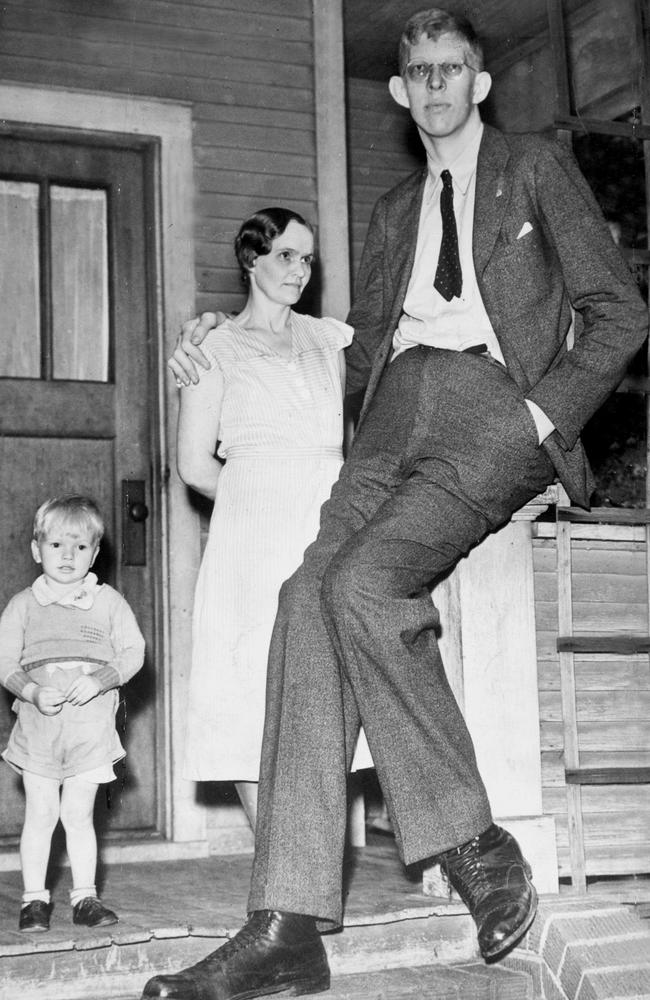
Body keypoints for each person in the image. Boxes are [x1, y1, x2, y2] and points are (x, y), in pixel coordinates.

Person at [145, 8, 647, 999]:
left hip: (486, 405)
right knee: (306, 600)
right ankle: (285, 924)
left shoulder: (531, 173)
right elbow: (346, 348)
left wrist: (543, 417)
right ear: (397, 88)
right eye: (416, 72)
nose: (433, 86)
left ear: (478, 81)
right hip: (387, 417)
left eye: (451, 69)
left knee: (366, 586)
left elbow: (617, 309)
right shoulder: (386, 216)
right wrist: (218, 340)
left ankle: (473, 844)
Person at [175, 207, 371, 830]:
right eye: (285, 255)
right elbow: (194, 466)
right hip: (251, 544)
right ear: (250, 259)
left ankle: (310, 860)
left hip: (322, 531)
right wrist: (253, 499)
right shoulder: (214, 347)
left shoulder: (328, 340)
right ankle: (276, 870)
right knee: (249, 691)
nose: (299, 270)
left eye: (307, 258)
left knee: (322, 691)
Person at [0, 495, 145, 933]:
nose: (67, 556)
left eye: (80, 547)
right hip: (40, 730)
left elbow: (134, 651)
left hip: (90, 730)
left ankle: (85, 898)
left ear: (95, 553)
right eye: (57, 545)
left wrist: (102, 679)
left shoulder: (108, 602)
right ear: (36, 550)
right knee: (41, 813)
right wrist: (29, 689)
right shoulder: (24, 604)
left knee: (78, 815)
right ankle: (34, 900)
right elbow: (5, 661)